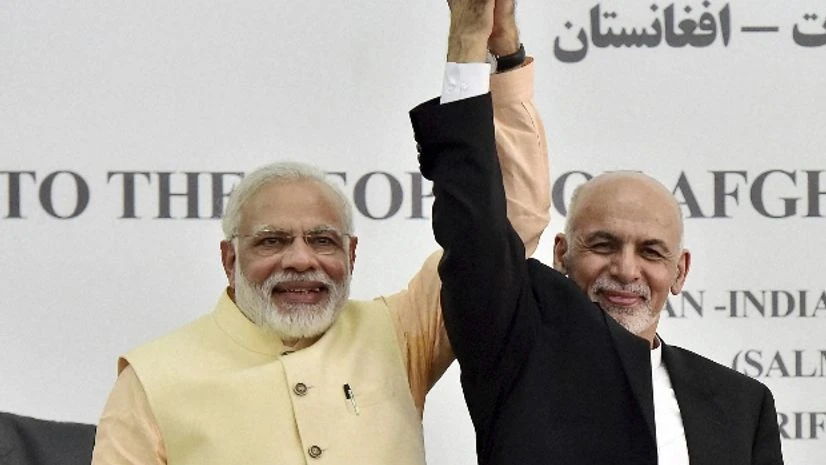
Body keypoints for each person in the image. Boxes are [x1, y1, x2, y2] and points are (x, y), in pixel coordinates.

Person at [90, 1, 549, 463]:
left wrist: (497, 52)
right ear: (230, 260)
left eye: (322, 241)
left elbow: (504, 226)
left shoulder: (398, 332)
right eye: (272, 240)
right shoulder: (151, 380)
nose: (300, 260)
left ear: (352, 255)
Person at [411, 1, 784, 463]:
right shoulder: (516, 350)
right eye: (603, 245)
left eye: (651, 252)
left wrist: (506, 54)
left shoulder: (740, 404)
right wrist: (473, 41)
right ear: (561, 254)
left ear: (680, 271)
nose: (626, 270)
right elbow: (475, 227)